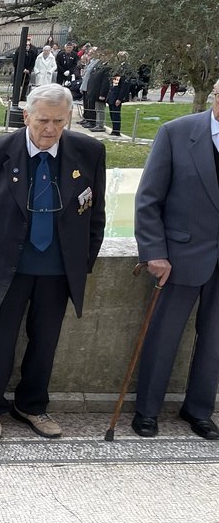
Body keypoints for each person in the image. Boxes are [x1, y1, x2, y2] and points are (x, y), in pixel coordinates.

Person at [0, 84, 106, 441]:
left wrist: (84, 265)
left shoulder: (89, 151)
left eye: (59, 121)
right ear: (26, 117)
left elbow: (96, 216)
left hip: (58, 270)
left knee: (45, 342)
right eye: (43, 121)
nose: (50, 129)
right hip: (6, 268)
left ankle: (32, 405)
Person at [130, 79, 219, 441]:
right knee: (163, 338)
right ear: (216, 97)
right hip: (180, 257)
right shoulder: (176, 133)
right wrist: (154, 252)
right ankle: (146, 411)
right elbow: (148, 199)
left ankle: (199, 410)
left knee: (214, 342)